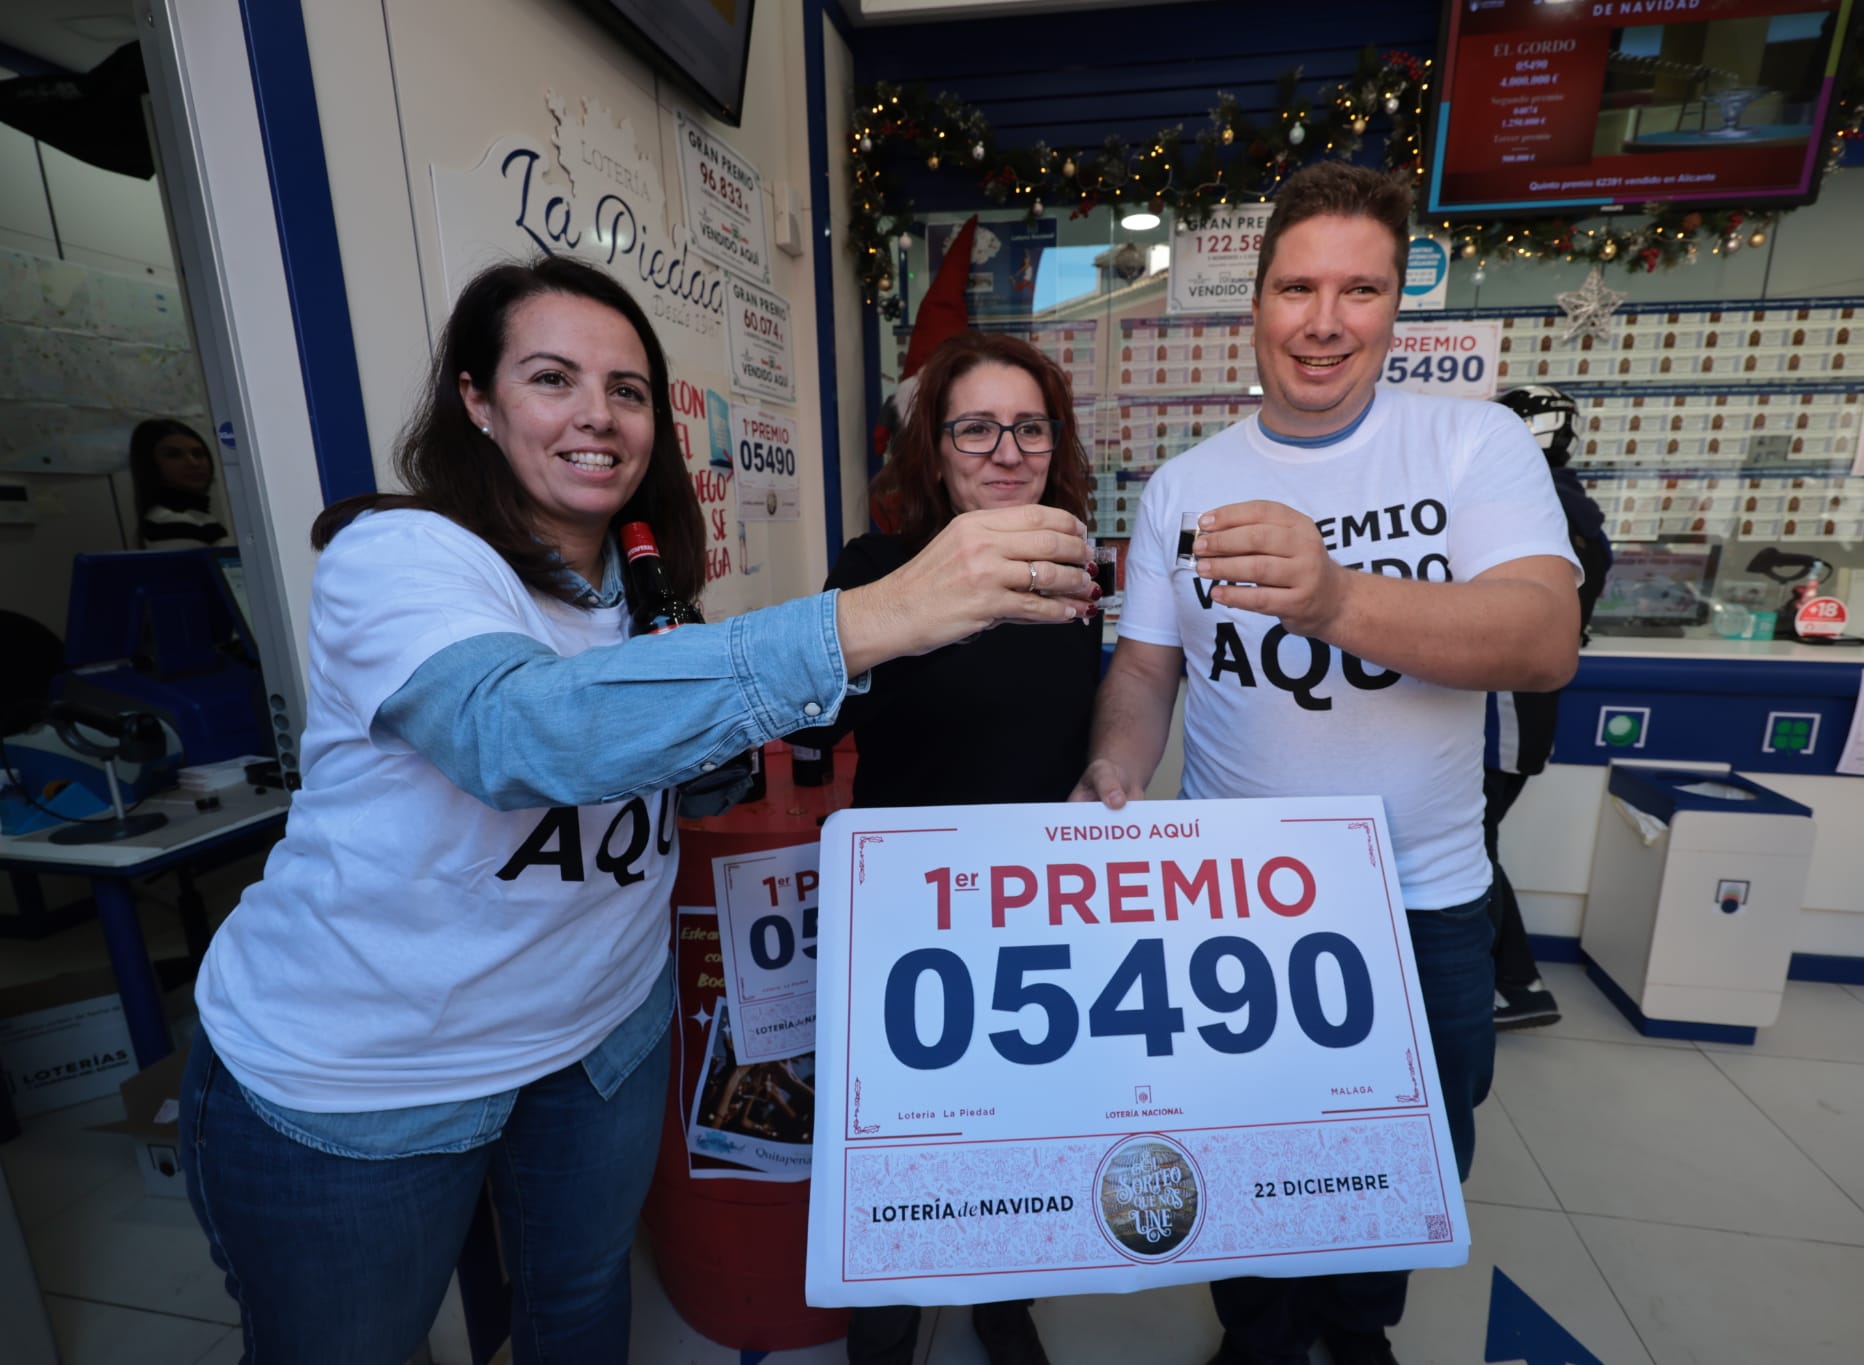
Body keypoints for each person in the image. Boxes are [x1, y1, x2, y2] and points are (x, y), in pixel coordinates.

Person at [177, 255, 1095, 1365]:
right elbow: (515, 734)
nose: (596, 418)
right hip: (372, 1069)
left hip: (596, 1038)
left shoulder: (642, 589)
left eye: (626, 391)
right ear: (474, 399)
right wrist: (872, 620)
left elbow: (669, 768)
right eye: (551, 379)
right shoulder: (399, 553)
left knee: (579, 1307)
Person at [1071, 162, 1582, 1365]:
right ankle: (1254, 1328)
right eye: (1296, 287)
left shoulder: (1473, 445)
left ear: (1398, 305)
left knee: (1408, 1150)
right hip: (1232, 903)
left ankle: (1354, 1331)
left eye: (1359, 289)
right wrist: (1113, 766)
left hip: (1422, 899)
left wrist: (1336, 594)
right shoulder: (1184, 488)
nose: (1322, 321)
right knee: (1238, 1140)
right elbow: (1147, 673)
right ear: (1251, 304)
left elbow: (1540, 642)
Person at [798, 330, 1102, 1365]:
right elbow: (806, 730)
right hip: (910, 925)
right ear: (933, 448)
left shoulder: (1076, 576)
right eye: (976, 427)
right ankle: (881, 1323)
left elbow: (1084, 716)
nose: (1005, 448)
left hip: (1040, 913)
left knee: (1026, 1128)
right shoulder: (877, 569)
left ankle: (1002, 1301)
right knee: (905, 1147)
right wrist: (894, 623)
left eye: (1029, 427)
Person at [1485, 385, 1613, 1030]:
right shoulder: (1575, 508)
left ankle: (1515, 983)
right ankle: (1514, 978)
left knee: (1467, 849)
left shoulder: (1539, 508)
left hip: (1504, 711)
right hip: (1523, 710)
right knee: (1474, 844)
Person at [128, 417, 231, 547]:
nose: (193, 463)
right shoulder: (173, 522)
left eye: (198, 454)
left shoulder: (195, 517)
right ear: (149, 465)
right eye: (173, 455)